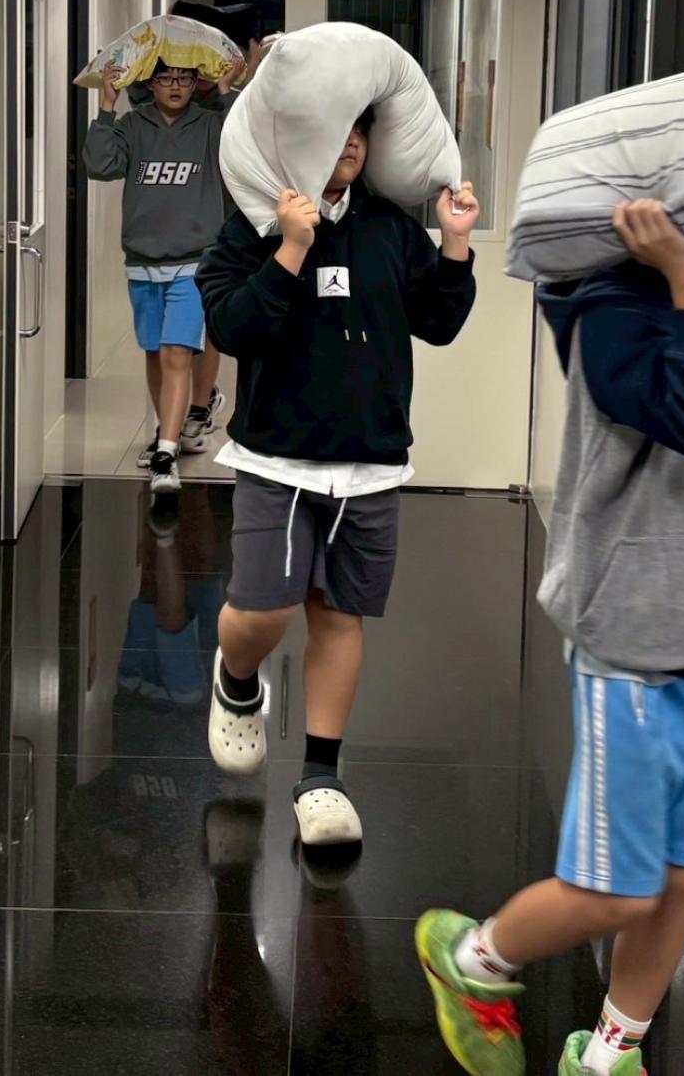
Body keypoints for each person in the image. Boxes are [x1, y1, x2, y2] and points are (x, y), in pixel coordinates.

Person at [416, 200, 684, 1076]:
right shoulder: (607, 317)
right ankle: (471, 958)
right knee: (616, 890)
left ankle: (608, 1053)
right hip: (634, 655)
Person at [196, 109, 479, 848]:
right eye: (334, 122)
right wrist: (291, 247)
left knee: (339, 614)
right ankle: (236, 675)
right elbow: (231, 328)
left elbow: (439, 321)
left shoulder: (389, 227)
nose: (349, 137)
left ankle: (321, 777)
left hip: (371, 461)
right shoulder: (253, 226)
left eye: (360, 125)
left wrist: (454, 245)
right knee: (264, 609)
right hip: (276, 458)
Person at [85, 56, 241, 495]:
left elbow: (243, 145)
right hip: (142, 261)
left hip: (195, 262)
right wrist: (106, 106)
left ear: (195, 83)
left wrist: (226, 92)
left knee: (176, 353)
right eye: (166, 78)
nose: (175, 85)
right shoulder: (133, 126)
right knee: (156, 353)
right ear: (150, 84)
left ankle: (166, 454)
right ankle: (166, 432)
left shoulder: (210, 126)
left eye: (184, 78)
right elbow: (101, 165)